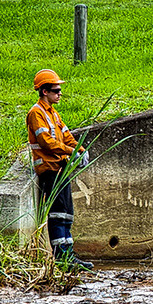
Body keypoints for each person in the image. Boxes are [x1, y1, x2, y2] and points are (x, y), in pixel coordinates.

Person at [27, 68, 93, 270]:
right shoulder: (36, 113)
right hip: (48, 169)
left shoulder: (53, 114)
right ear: (44, 91)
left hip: (59, 167)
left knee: (66, 212)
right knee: (58, 213)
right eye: (56, 90)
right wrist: (72, 153)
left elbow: (67, 136)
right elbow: (46, 142)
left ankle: (68, 256)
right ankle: (62, 258)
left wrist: (81, 149)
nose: (60, 93)